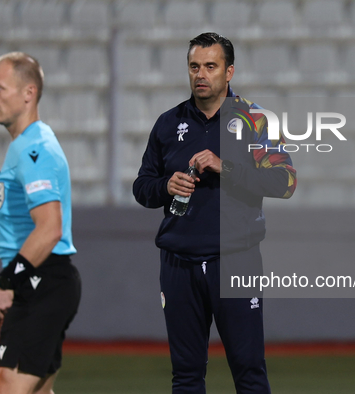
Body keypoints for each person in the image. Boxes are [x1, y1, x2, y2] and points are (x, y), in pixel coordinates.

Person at [133, 33, 297, 393]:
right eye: (194, 66)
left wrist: (227, 168)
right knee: (186, 375)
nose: (201, 74)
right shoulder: (167, 123)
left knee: (249, 371)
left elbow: (285, 181)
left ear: (229, 71)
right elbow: (142, 187)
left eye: (211, 66)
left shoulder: (257, 120)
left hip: (235, 260)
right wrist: (165, 186)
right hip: (178, 262)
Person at [0, 52, 81, 394]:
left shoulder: (34, 150)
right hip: (41, 282)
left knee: (9, 386)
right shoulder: (27, 145)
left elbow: (49, 229)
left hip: (42, 280)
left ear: (28, 93)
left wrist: (5, 284)